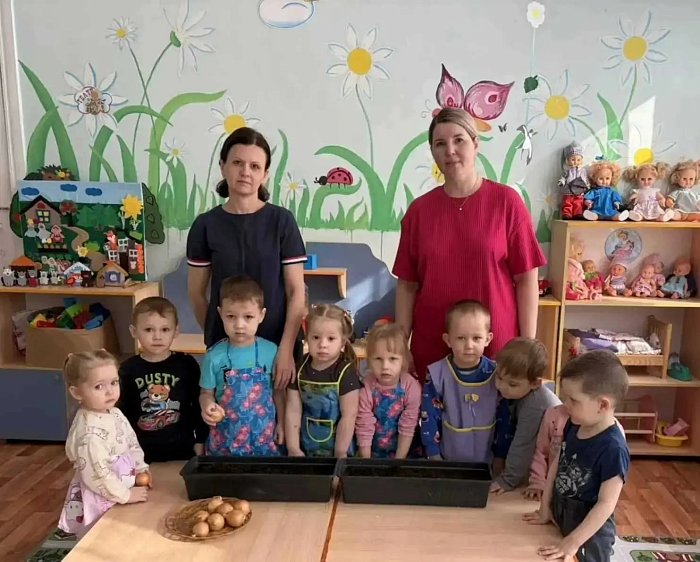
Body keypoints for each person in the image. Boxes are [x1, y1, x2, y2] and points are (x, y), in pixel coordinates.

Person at [393, 108, 546, 383]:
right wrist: (400, 345)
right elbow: (407, 286)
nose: (450, 151)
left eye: (459, 140)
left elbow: (527, 279)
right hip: (433, 348)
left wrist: (527, 346)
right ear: (433, 152)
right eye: (440, 144)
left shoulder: (507, 203)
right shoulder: (419, 212)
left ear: (476, 144)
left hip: (496, 349)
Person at [187, 127, 306, 389]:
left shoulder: (281, 221)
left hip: (278, 347)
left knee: (281, 413)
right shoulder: (205, 225)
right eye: (237, 163)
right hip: (228, 353)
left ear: (265, 174)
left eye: (255, 166)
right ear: (222, 166)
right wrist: (221, 338)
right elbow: (196, 293)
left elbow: (296, 291)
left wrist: (286, 349)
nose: (245, 172)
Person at [524, 351, 630, 562]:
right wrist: (545, 508)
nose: (565, 404)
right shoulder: (574, 424)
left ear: (602, 405)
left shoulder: (613, 448)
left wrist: (574, 541)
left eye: (573, 400)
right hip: (563, 517)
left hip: (591, 537)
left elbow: (606, 504)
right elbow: (557, 464)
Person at [58, 351, 149, 538]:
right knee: (101, 535)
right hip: (102, 495)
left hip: (121, 489)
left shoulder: (114, 412)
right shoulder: (89, 434)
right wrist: (125, 495)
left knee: (125, 532)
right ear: (77, 392)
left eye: (114, 383)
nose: (110, 391)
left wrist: (141, 467)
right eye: (99, 386)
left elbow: (131, 442)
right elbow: (98, 474)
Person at [199, 276, 285, 455]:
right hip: (225, 441)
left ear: (261, 315)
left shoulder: (272, 351)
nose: (239, 325)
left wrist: (282, 424)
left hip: (264, 439)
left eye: (248, 317)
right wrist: (207, 405)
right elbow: (206, 393)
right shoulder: (214, 356)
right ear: (220, 313)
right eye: (231, 316)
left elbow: (279, 392)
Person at [119, 297, 208, 463]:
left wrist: (201, 439)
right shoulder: (127, 369)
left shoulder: (186, 364)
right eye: (148, 330)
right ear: (134, 331)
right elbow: (122, 412)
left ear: (176, 331)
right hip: (140, 452)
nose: (157, 336)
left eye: (165, 329)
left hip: (182, 449)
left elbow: (198, 405)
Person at [420, 300, 498, 462]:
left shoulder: (498, 373)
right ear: (448, 340)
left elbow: (506, 416)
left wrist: (501, 455)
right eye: (461, 338)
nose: (469, 345)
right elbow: (429, 415)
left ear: (488, 339)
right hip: (448, 461)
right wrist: (432, 452)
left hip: (489, 462)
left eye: (476, 338)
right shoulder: (436, 374)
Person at [286, 304, 361, 458]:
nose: (322, 345)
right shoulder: (299, 368)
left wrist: (340, 453)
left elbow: (349, 415)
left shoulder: (345, 372)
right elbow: (293, 410)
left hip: (339, 449)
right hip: (305, 448)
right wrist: (293, 448)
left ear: (342, 341)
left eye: (331, 338)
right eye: (316, 337)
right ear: (307, 337)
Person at [489, 338, 561, 494]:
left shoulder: (535, 404)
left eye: (512, 384)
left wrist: (508, 480)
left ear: (535, 383)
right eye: (499, 377)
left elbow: (523, 445)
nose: (501, 386)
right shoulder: (519, 393)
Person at [355, 324, 421, 459]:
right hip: (372, 453)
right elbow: (364, 426)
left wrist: (398, 462)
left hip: (406, 453)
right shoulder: (365, 387)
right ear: (369, 360)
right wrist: (366, 463)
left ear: (403, 360)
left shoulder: (411, 387)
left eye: (392, 359)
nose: (385, 366)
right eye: (378, 359)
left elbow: (408, 426)